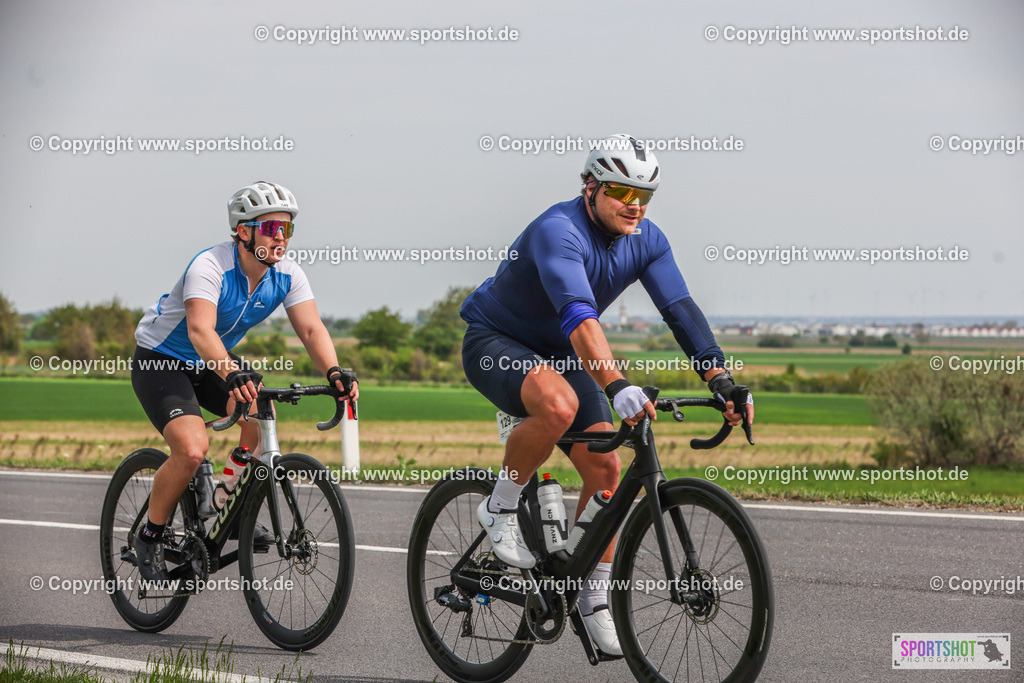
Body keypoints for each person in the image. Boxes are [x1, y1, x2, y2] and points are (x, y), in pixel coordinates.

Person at [460, 135, 754, 656]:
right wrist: (615, 384)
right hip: (497, 341)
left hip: (563, 355)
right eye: (622, 190)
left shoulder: (648, 238)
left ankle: (593, 596)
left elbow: (680, 312)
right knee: (558, 405)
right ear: (591, 186)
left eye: (645, 194)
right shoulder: (559, 230)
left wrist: (721, 381)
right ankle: (499, 508)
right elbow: (579, 316)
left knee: (608, 473)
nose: (634, 204)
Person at [130, 180, 357, 582]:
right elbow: (200, 330)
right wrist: (231, 371)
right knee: (192, 448)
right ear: (244, 230)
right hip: (162, 359)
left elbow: (310, 330)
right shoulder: (210, 266)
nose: (281, 238)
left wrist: (334, 373)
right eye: (272, 228)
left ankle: (224, 501)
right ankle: (150, 534)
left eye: (287, 229)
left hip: (213, 360)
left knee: (258, 417)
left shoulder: (287, 274)